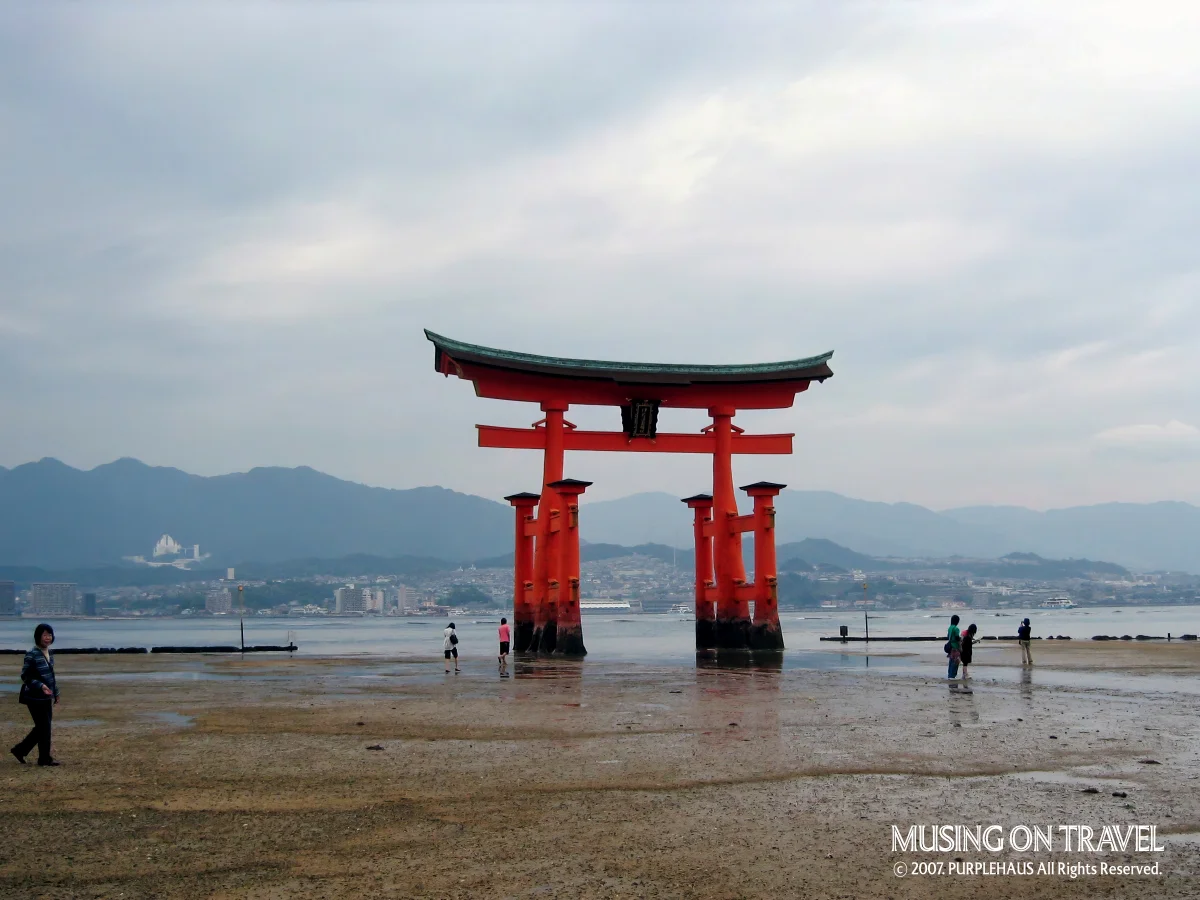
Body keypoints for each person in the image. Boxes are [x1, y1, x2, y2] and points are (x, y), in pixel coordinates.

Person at [11, 623, 60, 767]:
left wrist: (56, 692)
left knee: (44, 728)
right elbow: (25, 676)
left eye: (49, 635)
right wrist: (41, 686)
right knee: (43, 727)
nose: (47, 638)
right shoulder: (31, 654)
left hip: (47, 697)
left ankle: (24, 752)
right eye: (44, 635)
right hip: (34, 697)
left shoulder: (49, 654)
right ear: (38, 637)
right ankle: (40, 757)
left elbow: (51, 676)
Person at [946, 614, 962, 681]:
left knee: (951, 661)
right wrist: (960, 647)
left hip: (950, 647)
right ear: (957, 621)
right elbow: (957, 638)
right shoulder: (956, 629)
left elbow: (948, 636)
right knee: (956, 661)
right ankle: (953, 676)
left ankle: (949, 675)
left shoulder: (950, 628)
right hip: (955, 647)